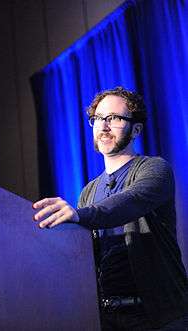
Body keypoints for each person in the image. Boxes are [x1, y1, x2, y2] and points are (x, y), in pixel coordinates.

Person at [33, 87, 188, 330]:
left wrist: (80, 215)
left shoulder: (155, 169)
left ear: (136, 129)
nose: (103, 126)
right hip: (108, 318)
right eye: (97, 119)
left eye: (113, 118)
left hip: (159, 317)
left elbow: (129, 202)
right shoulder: (88, 191)